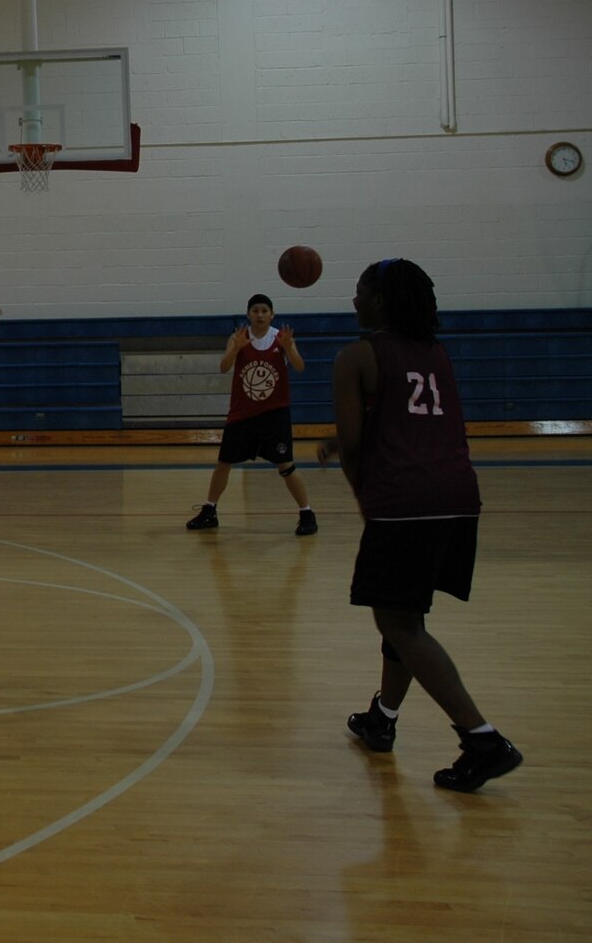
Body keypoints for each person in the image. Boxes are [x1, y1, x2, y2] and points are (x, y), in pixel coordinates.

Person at [317, 258, 521, 792]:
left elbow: (356, 447)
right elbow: (415, 421)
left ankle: (482, 738)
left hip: (405, 503)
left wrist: (368, 502)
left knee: (400, 624)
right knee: (403, 617)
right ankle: (382, 717)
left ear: (380, 300)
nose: (354, 299)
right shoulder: (436, 353)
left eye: (360, 290)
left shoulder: (354, 356)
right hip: (458, 497)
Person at [187, 293, 316, 534]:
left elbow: (299, 367)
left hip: (273, 414)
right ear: (248, 314)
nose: (259, 314)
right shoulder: (238, 338)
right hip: (242, 414)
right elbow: (224, 367)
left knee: (286, 465)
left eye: (264, 310)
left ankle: (307, 513)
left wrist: (289, 348)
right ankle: (209, 510)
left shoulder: (281, 338)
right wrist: (236, 349)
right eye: (255, 310)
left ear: (272, 315)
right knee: (223, 464)